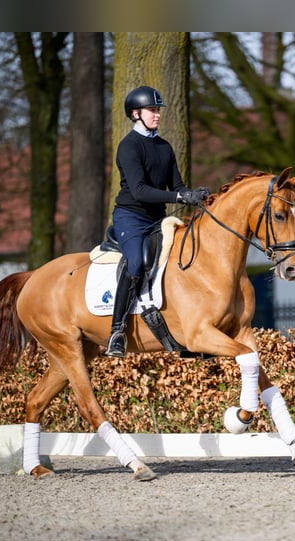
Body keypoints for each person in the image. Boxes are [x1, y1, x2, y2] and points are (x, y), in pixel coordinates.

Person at [106, 85, 209, 358]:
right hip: (131, 217)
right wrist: (179, 196)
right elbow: (139, 190)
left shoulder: (164, 147)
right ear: (135, 113)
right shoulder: (128, 146)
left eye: (158, 110)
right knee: (137, 264)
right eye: (152, 110)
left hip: (157, 220)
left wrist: (193, 195)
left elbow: (177, 185)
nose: (157, 115)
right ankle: (116, 332)